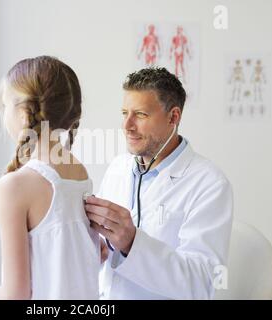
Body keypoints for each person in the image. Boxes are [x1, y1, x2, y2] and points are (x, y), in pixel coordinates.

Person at [85, 67, 233, 299]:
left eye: (141, 114)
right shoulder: (118, 168)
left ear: (173, 117)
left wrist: (132, 243)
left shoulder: (209, 183)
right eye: (125, 113)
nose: (127, 125)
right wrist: (98, 249)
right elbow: (105, 248)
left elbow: (203, 282)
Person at [0, 56, 100, 300]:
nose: (4, 115)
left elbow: (14, 295)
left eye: (5, 106)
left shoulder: (14, 186)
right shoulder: (79, 172)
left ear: (25, 114)